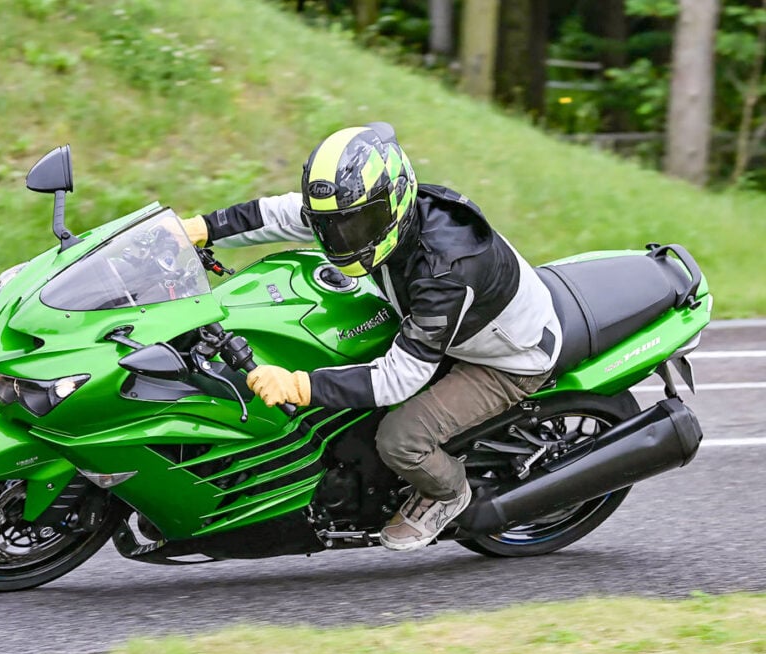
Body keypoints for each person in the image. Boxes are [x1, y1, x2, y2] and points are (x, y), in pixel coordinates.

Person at [179, 122, 561, 551]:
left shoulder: (443, 275)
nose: (343, 238)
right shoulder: (368, 212)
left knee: (400, 439)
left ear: (396, 198)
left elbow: (399, 378)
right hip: (448, 321)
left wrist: (299, 385)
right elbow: (282, 214)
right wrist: (200, 228)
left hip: (506, 359)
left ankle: (448, 492)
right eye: (333, 226)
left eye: (355, 225)